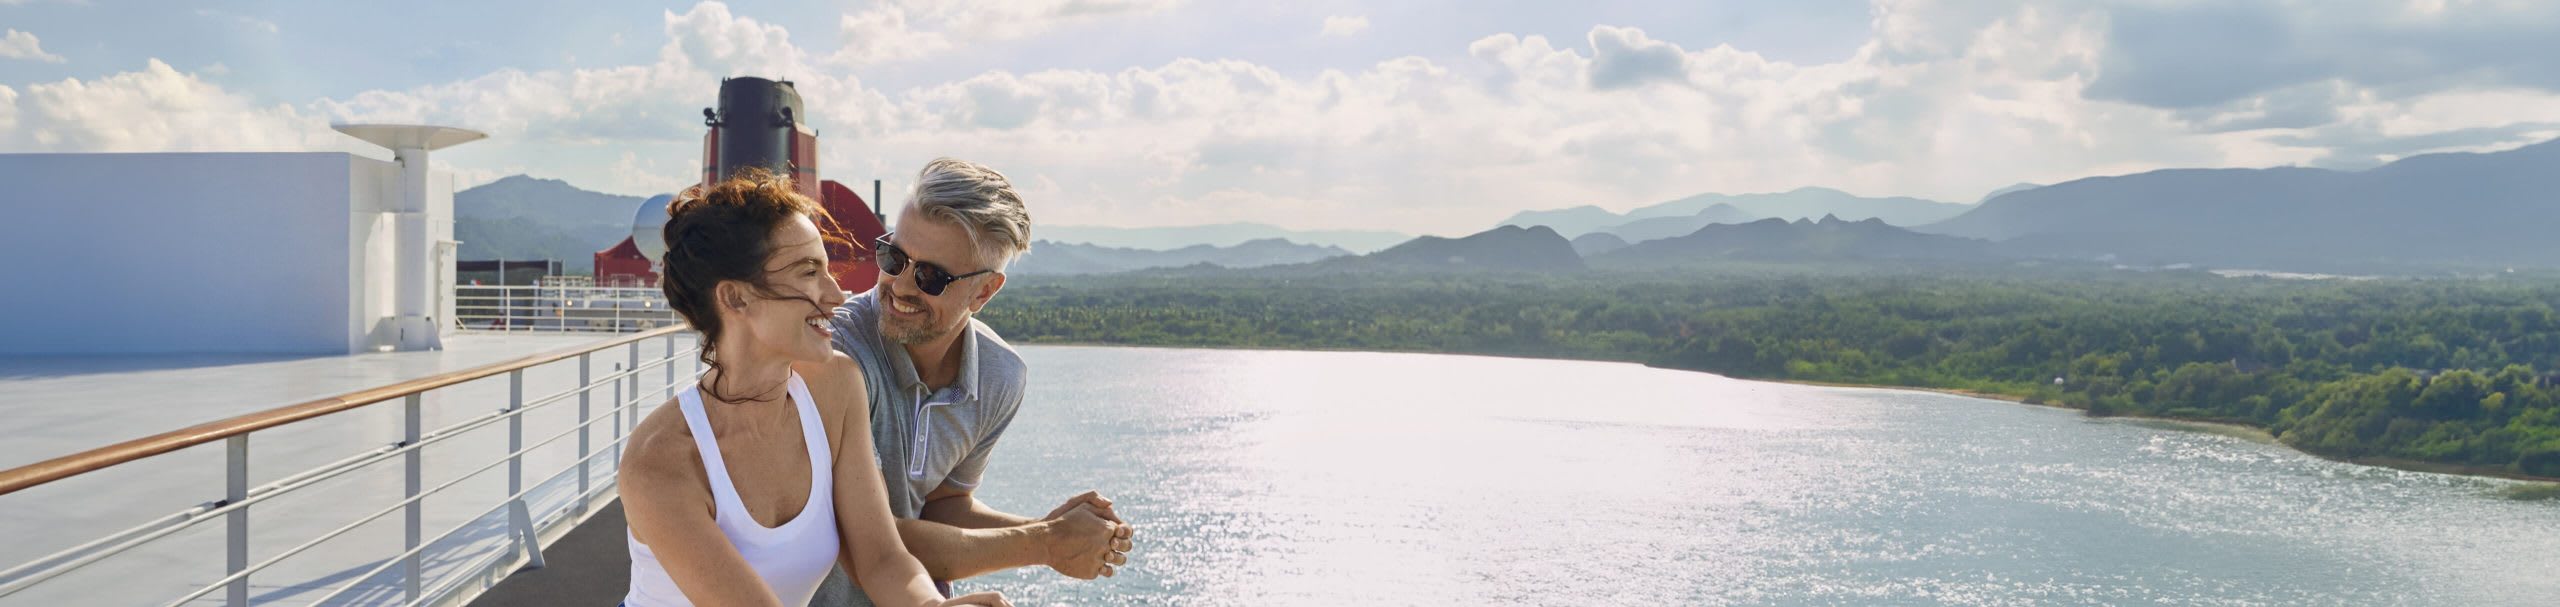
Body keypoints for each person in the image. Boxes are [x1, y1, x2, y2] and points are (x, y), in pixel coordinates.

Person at [620, 169, 1009, 607]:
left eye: (827, 269)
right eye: (808, 273)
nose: (837, 294)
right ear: (735, 299)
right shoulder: (659, 460)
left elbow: (881, 559)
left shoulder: (836, 387)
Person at [811, 158, 1135, 606]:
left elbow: (943, 504)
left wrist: (1054, 532)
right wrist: (1043, 541)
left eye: (931, 277)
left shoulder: (999, 375)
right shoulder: (836, 354)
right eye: (894, 257)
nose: (901, 286)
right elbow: (866, 537)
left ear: (984, 292)